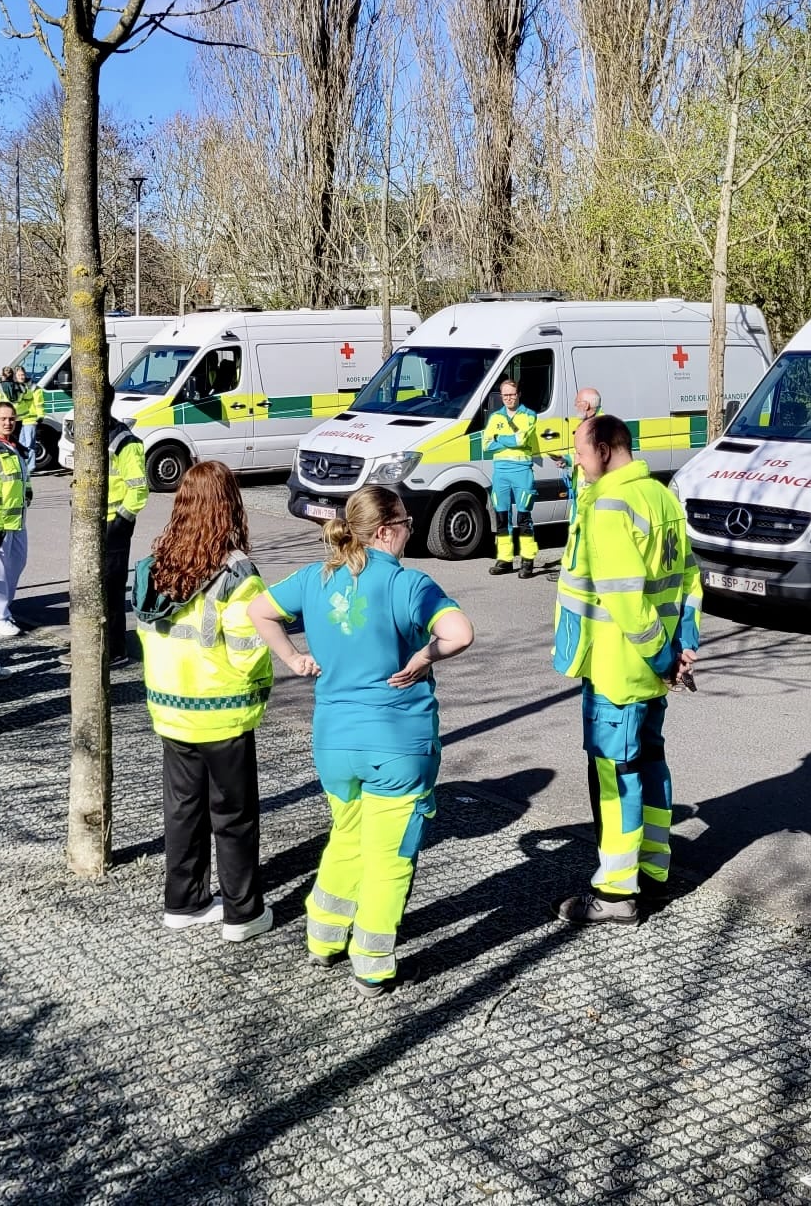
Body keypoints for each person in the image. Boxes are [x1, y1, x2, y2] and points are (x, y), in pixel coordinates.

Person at [250, 486, 473, 993]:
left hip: (334, 742)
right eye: (410, 527)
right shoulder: (409, 584)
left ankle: (324, 938)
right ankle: (373, 964)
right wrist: (423, 657)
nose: (410, 535)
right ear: (390, 530)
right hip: (396, 743)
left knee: (347, 837)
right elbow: (458, 634)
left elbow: (258, 612)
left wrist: (293, 659)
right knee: (390, 856)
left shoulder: (315, 577)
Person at [550, 413, 702, 927]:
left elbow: (625, 600)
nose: (576, 459)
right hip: (654, 672)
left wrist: (661, 655)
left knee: (614, 779)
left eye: (581, 450)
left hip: (619, 667)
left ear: (609, 449)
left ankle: (615, 894)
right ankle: (654, 872)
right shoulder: (661, 496)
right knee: (651, 765)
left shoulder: (609, 506)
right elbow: (689, 580)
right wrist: (682, 649)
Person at [136, 461, 276, 941]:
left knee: (182, 811)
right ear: (231, 505)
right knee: (233, 817)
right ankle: (242, 913)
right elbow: (247, 651)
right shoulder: (238, 573)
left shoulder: (157, 564)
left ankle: (185, 902)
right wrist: (261, 684)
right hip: (223, 712)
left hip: (171, 709)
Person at [483, 377, 544, 578]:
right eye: (505, 395)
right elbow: (486, 445)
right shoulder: (495, 417)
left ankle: (527, 561)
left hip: (522, 471)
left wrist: (499, 438)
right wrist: (507, 441)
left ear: (519, 394)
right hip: (500, 473)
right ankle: (505, 559)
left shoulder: (529, 415)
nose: (508, 398)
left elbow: (521, 439)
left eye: (512, 394)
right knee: (501, 518)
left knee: (524, 517)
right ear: (501, 396)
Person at [105, 414, 151, 664]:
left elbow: (138, 489)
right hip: (97, 524)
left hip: (114, 525)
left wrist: (120, 522)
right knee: (97, 589)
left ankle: (115, 649)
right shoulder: (95, 434)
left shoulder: (124, 442)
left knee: (112, 589)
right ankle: (102, 644)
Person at [0, 400, 30, 642]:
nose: (8, 422)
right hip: (0, 522)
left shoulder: (15, 446)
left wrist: (28, 493)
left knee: (17, 565)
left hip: (18, 520)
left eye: (11, 418)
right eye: (3, 418)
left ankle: (4, 610)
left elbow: (23, 479)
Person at [11, 365, 43, 462]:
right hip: (20, 420)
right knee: (21, 443)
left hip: (30, 418)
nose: (22, 377)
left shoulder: (33, 387)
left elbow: (39, 403)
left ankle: (30, 466)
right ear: (15, 376)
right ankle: (24, 465)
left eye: (23, 374)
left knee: (30, 444)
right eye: (19, 375)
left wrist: (40, 416)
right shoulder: (15, 387)